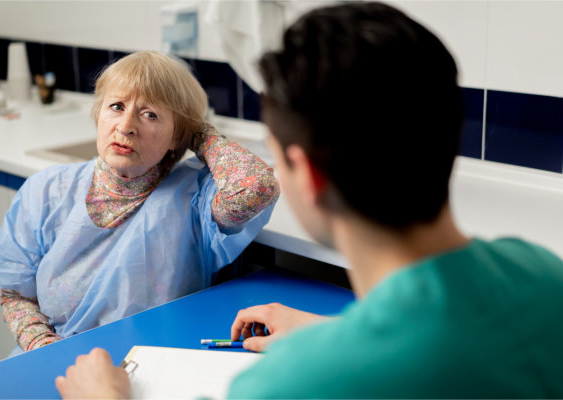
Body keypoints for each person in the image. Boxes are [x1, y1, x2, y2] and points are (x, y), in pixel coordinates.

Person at [55, 2, 563, 399]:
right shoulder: (541, 275)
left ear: (309, 177)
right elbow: (442, 338)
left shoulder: (294, 384)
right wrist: (334, 330)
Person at [0, 51, 279, 355]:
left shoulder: (195, 199)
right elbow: (16, 295)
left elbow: (257, 188)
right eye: (116, 106)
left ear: (177, 136)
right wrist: (46, 348)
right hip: (51, 358)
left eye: (150, 114)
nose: (125, 126)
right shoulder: (46, 191)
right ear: (98, 113)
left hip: (155, 361)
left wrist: (199, 133)